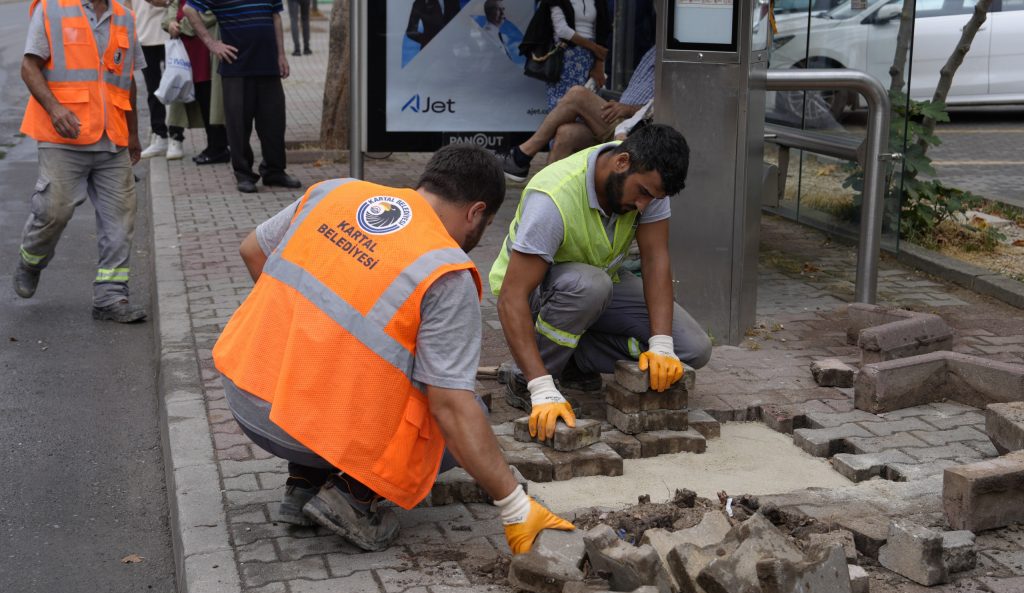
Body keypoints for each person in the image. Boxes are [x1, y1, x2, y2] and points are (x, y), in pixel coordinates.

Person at [211, 144, 574, 554]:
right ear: (476, 212)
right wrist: (514, 504)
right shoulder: (445, 270)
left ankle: (303, 485)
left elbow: (252, 251)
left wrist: (304, 335)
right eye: (485, 225)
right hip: (306, 426)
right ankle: (352, 498)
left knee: (347, 370)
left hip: (245, 395)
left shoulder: (334, 192)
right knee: (458, 409)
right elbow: (451, 408)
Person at [488, 124, 712, 440]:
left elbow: (655, 260)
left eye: (654, 198)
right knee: (589, 286)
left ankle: (574, 360)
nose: (644, 206)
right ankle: (529, 379)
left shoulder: (648, 186)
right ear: (622, 162)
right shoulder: (553, 197)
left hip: (596, 284)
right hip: (535, 295)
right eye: (644, 193)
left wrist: (661, 345)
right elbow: (510, 297)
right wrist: (541, 387)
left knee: (693, 349)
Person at [14, 0, 148, 323]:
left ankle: (111, 297)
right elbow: (29, 67)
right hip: (63, 135)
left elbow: (126, 78)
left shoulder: (125, 18)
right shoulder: (52, 9)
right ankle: (31, 260)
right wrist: (55, 109)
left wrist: (132, 133)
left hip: (111, 137)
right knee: (53, 210)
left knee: (120, 217)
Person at [183, 0, 301, 194]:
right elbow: (188, 9)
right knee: (238, 125)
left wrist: (281, 55)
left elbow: (275, 17)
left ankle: (274, 171)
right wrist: (212, 44)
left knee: (274, 123)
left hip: (268, 65)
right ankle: (244, 175)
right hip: (236, 67)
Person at [498, 45, 657, 182]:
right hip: (619, 118)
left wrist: (627, 108)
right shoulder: (653, 48)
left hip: (636, 128)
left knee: (577, 95)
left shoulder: (669, 53)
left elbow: (665, 108)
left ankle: (522, 155)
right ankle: (544, 192)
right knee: (566, 133)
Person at [165, 0, 231, 164]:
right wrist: (170, 23)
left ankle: (219, 148)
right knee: (203, 100)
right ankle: (214, 145)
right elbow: (174, 5)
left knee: (211, 100)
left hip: (206, 49)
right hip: (187, 52)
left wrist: (182, 26)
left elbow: (211, 12)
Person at [521, 0, 609, 113]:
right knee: (562, 106)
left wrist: (599, 61)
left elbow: (603, 30)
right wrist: (595, 48)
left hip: (590, 58)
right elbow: (562, 30)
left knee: (587, 107)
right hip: (566, 56)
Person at [134, 0, 186, 160]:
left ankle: (176, 137)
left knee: (175, 88)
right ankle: (160, 135)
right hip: (143, 34)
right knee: (152, 90)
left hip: (167, 32)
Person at [475, 0, 523, 65]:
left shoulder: (502, 31)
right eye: (499, 10)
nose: (503, 13)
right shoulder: (487, 35)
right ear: (490, 12)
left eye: (503, 9)